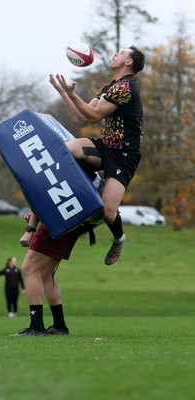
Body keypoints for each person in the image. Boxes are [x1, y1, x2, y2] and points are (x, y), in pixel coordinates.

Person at [49, 45, 145, 266]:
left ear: (129, 63)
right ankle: (86, 189)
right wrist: (64, 93)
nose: (116, 54)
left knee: (108, 213)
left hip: (124, 155)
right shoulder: (109, 87)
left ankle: (119, 238)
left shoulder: (126, 87)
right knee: (67, 149)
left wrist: (72, 93)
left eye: (122, 53)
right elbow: (83, 117)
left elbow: (93, 113)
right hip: (106, 147)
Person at [12, 211, 90, 336]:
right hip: (73, 222)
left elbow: (41, 194)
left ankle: (36, 327)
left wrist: (30, 229)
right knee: (45, 274)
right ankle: (59, 325)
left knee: (29, 269)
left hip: (55, 220)